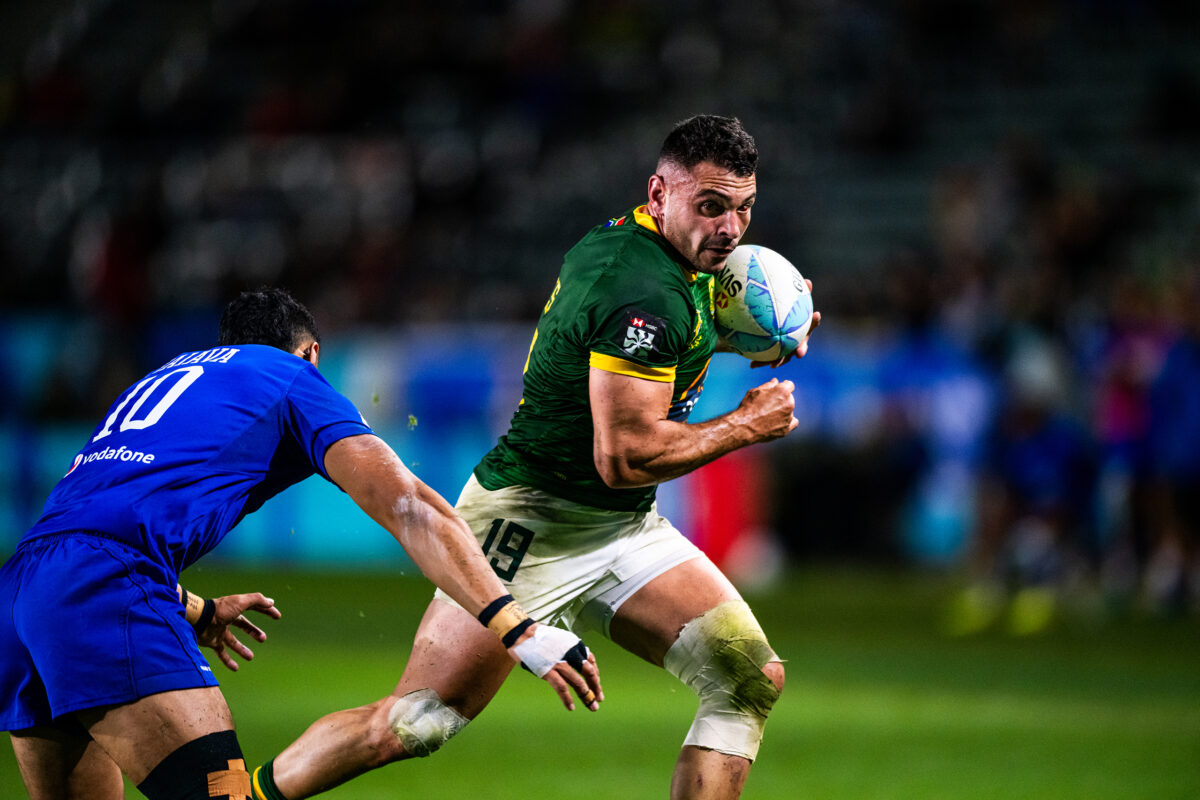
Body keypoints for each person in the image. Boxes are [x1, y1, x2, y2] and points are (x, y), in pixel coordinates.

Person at [253, 115, 820, 800]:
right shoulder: (638, 290)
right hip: (527, 525)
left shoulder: (664, 254)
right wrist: (745, 423)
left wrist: (759, 336)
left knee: (746, 677)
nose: (731, 228)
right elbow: (625, 456)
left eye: (742, 207)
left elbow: (659, 360)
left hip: (618, 525)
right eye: (711, 206)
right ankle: (244, 795)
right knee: (414, 723)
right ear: (659, 194)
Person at [0, 287, 602, 800]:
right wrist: (518, 627)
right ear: (312, 353)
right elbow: (411, 508)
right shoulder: (289, 376)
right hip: (98, 590)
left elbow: (88, 530)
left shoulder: (166, 376)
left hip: (24, 591)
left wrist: (197, 609)